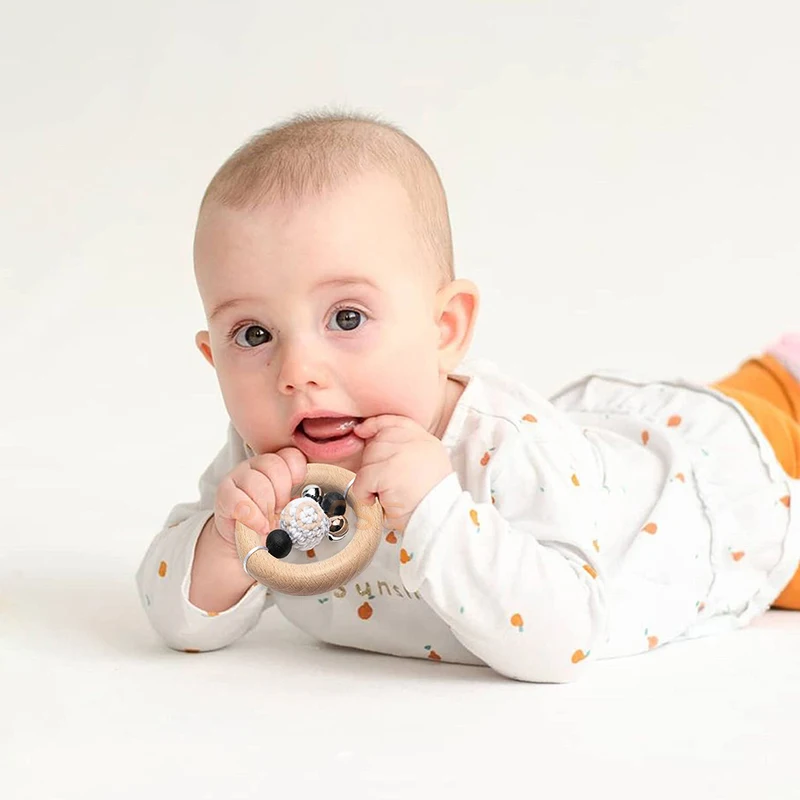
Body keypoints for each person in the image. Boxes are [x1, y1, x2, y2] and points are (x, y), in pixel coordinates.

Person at [136, 111, 800, 683]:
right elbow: (177, 620)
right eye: (254, 334)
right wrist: (227, 543)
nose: (297, 371)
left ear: (445, 328)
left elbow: (564, 638)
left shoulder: (501, 443)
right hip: (628, 455)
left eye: (346, 318)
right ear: (212, 357)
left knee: (768, 423)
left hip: (708, 502)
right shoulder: (263, 461)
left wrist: (435, 511)